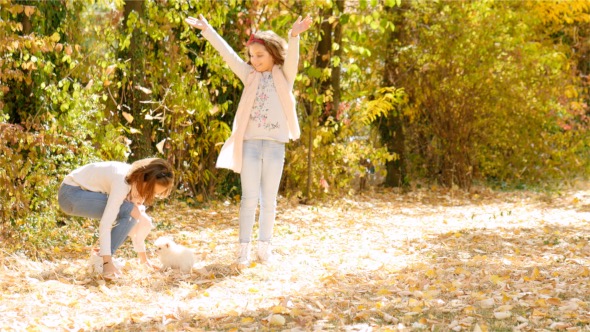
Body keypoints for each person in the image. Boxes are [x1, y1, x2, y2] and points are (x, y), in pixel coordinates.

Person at [185, 14, 312, 266]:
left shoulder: (285, 76)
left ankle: (264, 248)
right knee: (249, 199)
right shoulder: (249, 75)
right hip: (251, 146)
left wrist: (294, 36)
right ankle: (244, 249)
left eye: (259, 56)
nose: (254, 61)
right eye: (252, 56)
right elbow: (228, 54)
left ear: (273, 55)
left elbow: (294, 58)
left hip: (276, 147)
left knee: (269, 200)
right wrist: (208, 30)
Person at [58, 158, 174, 278]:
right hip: (71, 195)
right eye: (150, 190)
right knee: (131, 211)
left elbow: (141, 223)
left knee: (135, 213)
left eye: (155, 193)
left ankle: (101, 257)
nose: (149, 195)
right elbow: (106, 223)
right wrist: (107, 263)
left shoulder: (137, 183)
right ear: (144, 179)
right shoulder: (123, 182)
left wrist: (143, 260)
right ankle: (102, 261)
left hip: (83, 193)